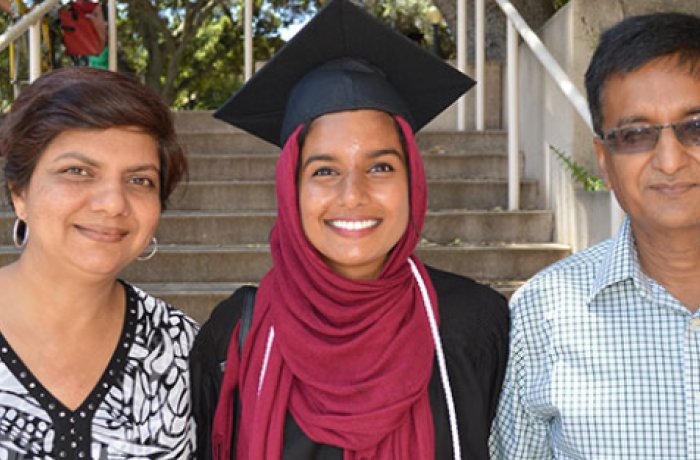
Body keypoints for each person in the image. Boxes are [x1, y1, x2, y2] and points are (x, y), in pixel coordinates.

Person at [189, 0, 509, 459]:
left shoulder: (475, 326)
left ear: (412, 180)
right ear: (290, 188)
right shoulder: (236, 335)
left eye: (380, 166)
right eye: (323, 171)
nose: (353, 194)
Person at [490, 11, 700, 459]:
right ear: (604, 162)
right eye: (635, 134)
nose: (669, 159)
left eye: (695, 127)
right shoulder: (541, 315)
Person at [0, 67, 197, 458]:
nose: (112, 203)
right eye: (77, 172)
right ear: (19, 192)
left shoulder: (181, 348)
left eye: (139, 180)